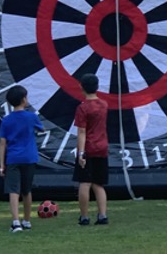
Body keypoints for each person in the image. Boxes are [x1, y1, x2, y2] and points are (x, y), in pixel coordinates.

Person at [0, 85, 44, 233]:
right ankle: (27, 220)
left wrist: (1, 165)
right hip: (30, 157)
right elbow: (41, 128)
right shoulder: (32, 117)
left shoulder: (6, 120)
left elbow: (2, 143)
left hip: (13, 158)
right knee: (26, 190)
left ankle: (16, 222)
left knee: (13, 190)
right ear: (24, 99)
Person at [72, 73, 110, 226]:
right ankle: (102, 216)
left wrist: (81, 153)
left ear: (81, 87)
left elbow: (82, 132)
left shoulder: (82, 108)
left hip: (88, 148)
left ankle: (84, 217)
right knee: (99, 184)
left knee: (84, 183)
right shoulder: (104, 104)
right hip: (102, 147)